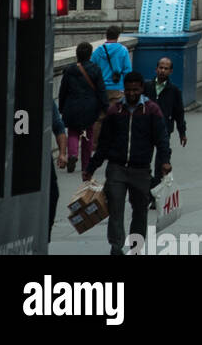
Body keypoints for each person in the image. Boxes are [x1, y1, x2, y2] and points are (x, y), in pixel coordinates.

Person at [88, 72, 172, 257]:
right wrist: (92, 167)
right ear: (123, 90)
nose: (132, 93)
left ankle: (136, 247)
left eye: (135, 90)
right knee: (115, 208)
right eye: (128, 90)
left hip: (141, 170)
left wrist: (165, 161)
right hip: (116, 168)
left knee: (140, 211)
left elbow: (162, 139)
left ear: (142, 89)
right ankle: (116, 248)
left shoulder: (152, 110)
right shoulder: (114, 111)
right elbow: (104, 143)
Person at [58, 41, 106, 175]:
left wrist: (61, 107)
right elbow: (101, 90)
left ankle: (73, 154)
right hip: (90, 107)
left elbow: (63, 91)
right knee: (88, 135)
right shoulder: (95, 69)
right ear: (90, 55)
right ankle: (86, 166)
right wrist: (105, 107)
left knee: (73, 131)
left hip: (72, 105)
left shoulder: (69, 70)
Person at [146, 57, 188, 148]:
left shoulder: (174, 91)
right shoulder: (147, 87)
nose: (162, 71)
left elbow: (179, 113)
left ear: (170, 71)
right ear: (156, 69)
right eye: (161, 68)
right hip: (147, 127)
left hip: (164, 128)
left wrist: (182, 133)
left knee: (163, 155)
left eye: (166, 69)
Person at [94, 25, 132, 106]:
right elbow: (127, 71)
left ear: (106, 35)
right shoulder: (123, 50)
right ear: (118, 36)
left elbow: (92, 69)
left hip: (101, 88)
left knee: (102, 116)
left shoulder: (98, 51)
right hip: (118, 87)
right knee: (117, 115)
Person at [48, 98, 68, 242]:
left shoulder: (44, 96)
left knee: (53, 194)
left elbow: (58, 126)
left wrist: (62, 153)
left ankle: (46, 233)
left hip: (41, 157)